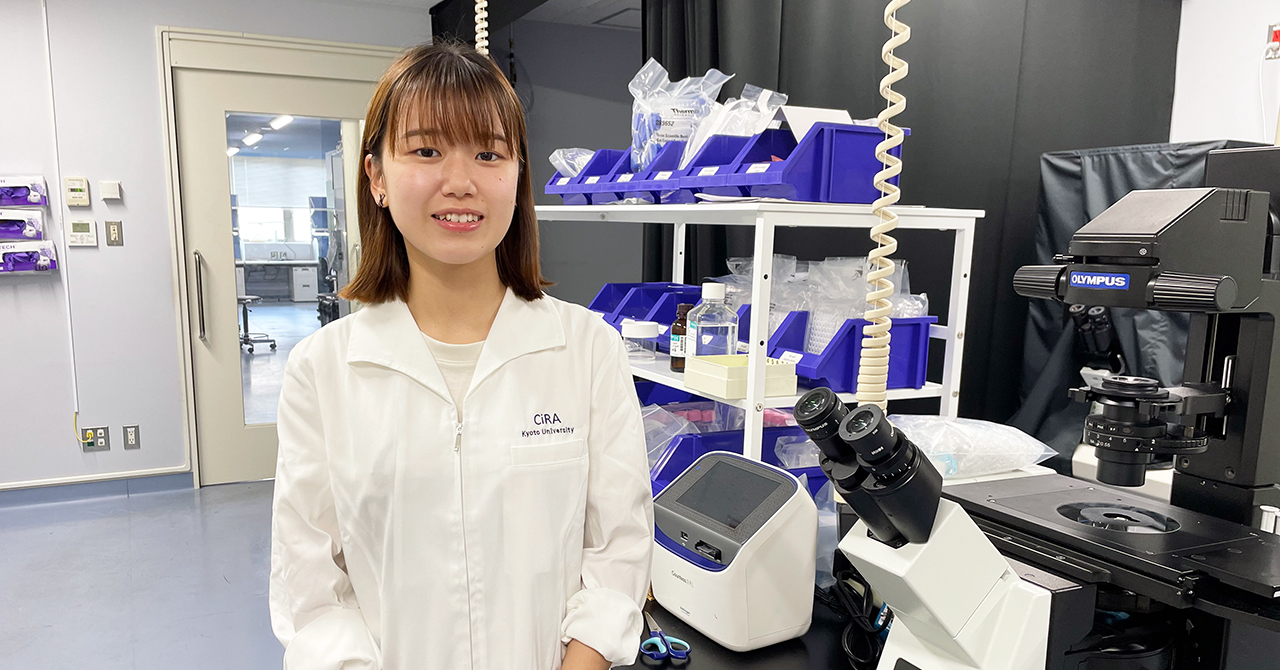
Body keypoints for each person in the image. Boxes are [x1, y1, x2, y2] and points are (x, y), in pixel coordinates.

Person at [268, 41, 653, 670]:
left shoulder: (588, 350)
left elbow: (619, 549)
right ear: (377, 178)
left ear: (517, 177)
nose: (461, 182)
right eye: (426, 151)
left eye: (488, 154)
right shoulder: (323, 370)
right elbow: (310, 589)